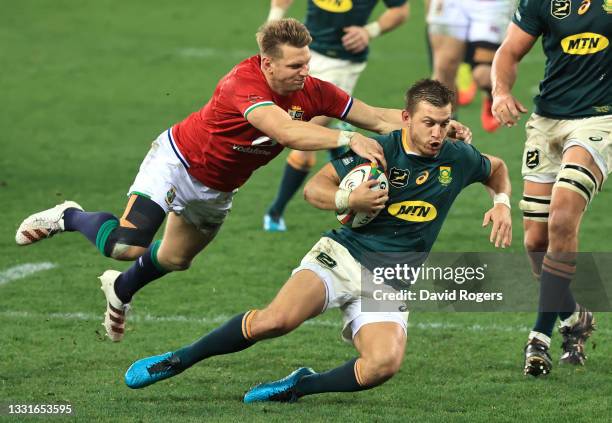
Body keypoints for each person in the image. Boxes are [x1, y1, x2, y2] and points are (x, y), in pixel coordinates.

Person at [15, 19, 470, 343]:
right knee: (130, 244)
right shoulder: (242, 84)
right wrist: (347, 138)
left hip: (218, 188)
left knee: (174, 260)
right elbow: (287, 131)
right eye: (294, 66)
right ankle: (69, 215)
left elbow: (377, 115)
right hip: (177, 163)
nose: (304, 72)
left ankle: (121, 288)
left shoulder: (312, 89)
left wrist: (436, 127)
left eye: (307, 63)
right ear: (267, 64)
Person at [123, 79, 512, 403]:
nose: (438, 133)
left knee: (382, 366)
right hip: (342, 256)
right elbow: (315, 190)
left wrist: (502, 202)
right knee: (275, 321)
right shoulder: (380, 150)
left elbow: (496, 168)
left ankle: (300, 386)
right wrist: (349, 199)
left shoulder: (458, 157)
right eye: (429, 123)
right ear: (407, 118)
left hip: (390, 278)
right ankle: (179, 359)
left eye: (445, 124)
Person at [491, 0, 610, 376]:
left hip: (599, 119)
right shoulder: (541, 2)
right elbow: (509, 51)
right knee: (535, 243)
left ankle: (539, 337)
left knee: (562, 217)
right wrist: (500, 92)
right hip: (546, 123)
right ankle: (574, 314)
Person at [263, 0, 410, 232]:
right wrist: (274, 21)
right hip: (304, 56)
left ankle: (274, 212)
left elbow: (400, 10)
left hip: (342, 62)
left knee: (304, 136)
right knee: (294, 124)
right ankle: (341, 133)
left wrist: (369, 31)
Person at [427, 0, 515, 132]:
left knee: (484, 76)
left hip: (491, 5)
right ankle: (449, 133)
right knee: (444, 69)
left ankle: (491, 95)